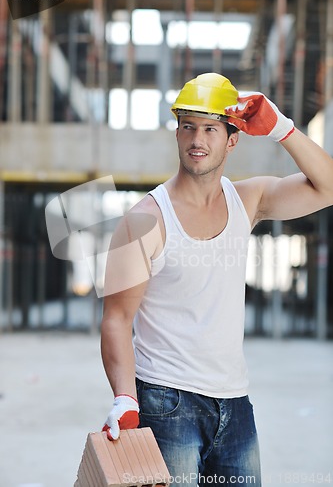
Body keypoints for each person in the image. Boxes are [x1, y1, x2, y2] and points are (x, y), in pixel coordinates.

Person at [100, 73, 333, 486]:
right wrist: (124, 398)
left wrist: (282, 128)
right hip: (165, 401)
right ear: (176, 133)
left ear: (232, 140)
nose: (197, 139)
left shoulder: (249, 200)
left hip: (235, 403)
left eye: (210, 128)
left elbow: (327, 187)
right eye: (187, 126)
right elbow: (117, 318)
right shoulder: (145, 219)